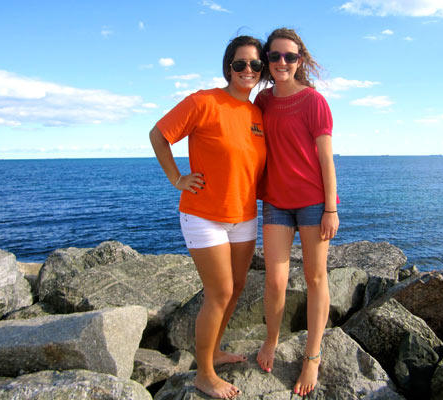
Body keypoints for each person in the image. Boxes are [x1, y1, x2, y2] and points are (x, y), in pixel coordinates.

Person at [149, 35, 266, 399]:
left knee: (236, 288)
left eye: (255, 65)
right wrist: (177, 178)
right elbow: (159, 134)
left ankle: (213, 351)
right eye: (240, 64)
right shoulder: (204, 101)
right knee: (220, 292)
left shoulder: (256, 114)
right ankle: (204, 374)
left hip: (244, 215)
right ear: (228, 67)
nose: (247, 70)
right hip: (204, 215)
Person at [255, 28, 339, 397]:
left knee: (315, 277)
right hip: (275, 201)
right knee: (274, 281)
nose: (282, 63)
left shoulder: (313, 101)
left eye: (290, 57)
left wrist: (330, 208)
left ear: (299, 60)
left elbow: (325, 157)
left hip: (311, 202)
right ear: (266, 61)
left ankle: (312, 356)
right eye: (275, 57)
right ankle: (271, 339)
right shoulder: (262, 101)